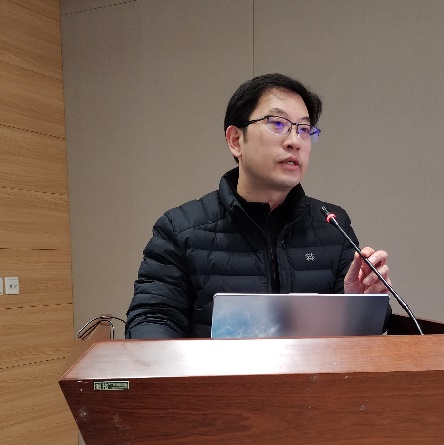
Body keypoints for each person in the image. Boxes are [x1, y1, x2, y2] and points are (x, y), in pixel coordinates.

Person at [125, 74, 391, 339]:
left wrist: (360, 303)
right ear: (235, 140)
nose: (294, 141)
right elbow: (151, 322)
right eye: (278, 124)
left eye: (304, 129)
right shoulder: (180, 229)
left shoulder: (332, 224)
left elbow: (363, 338)